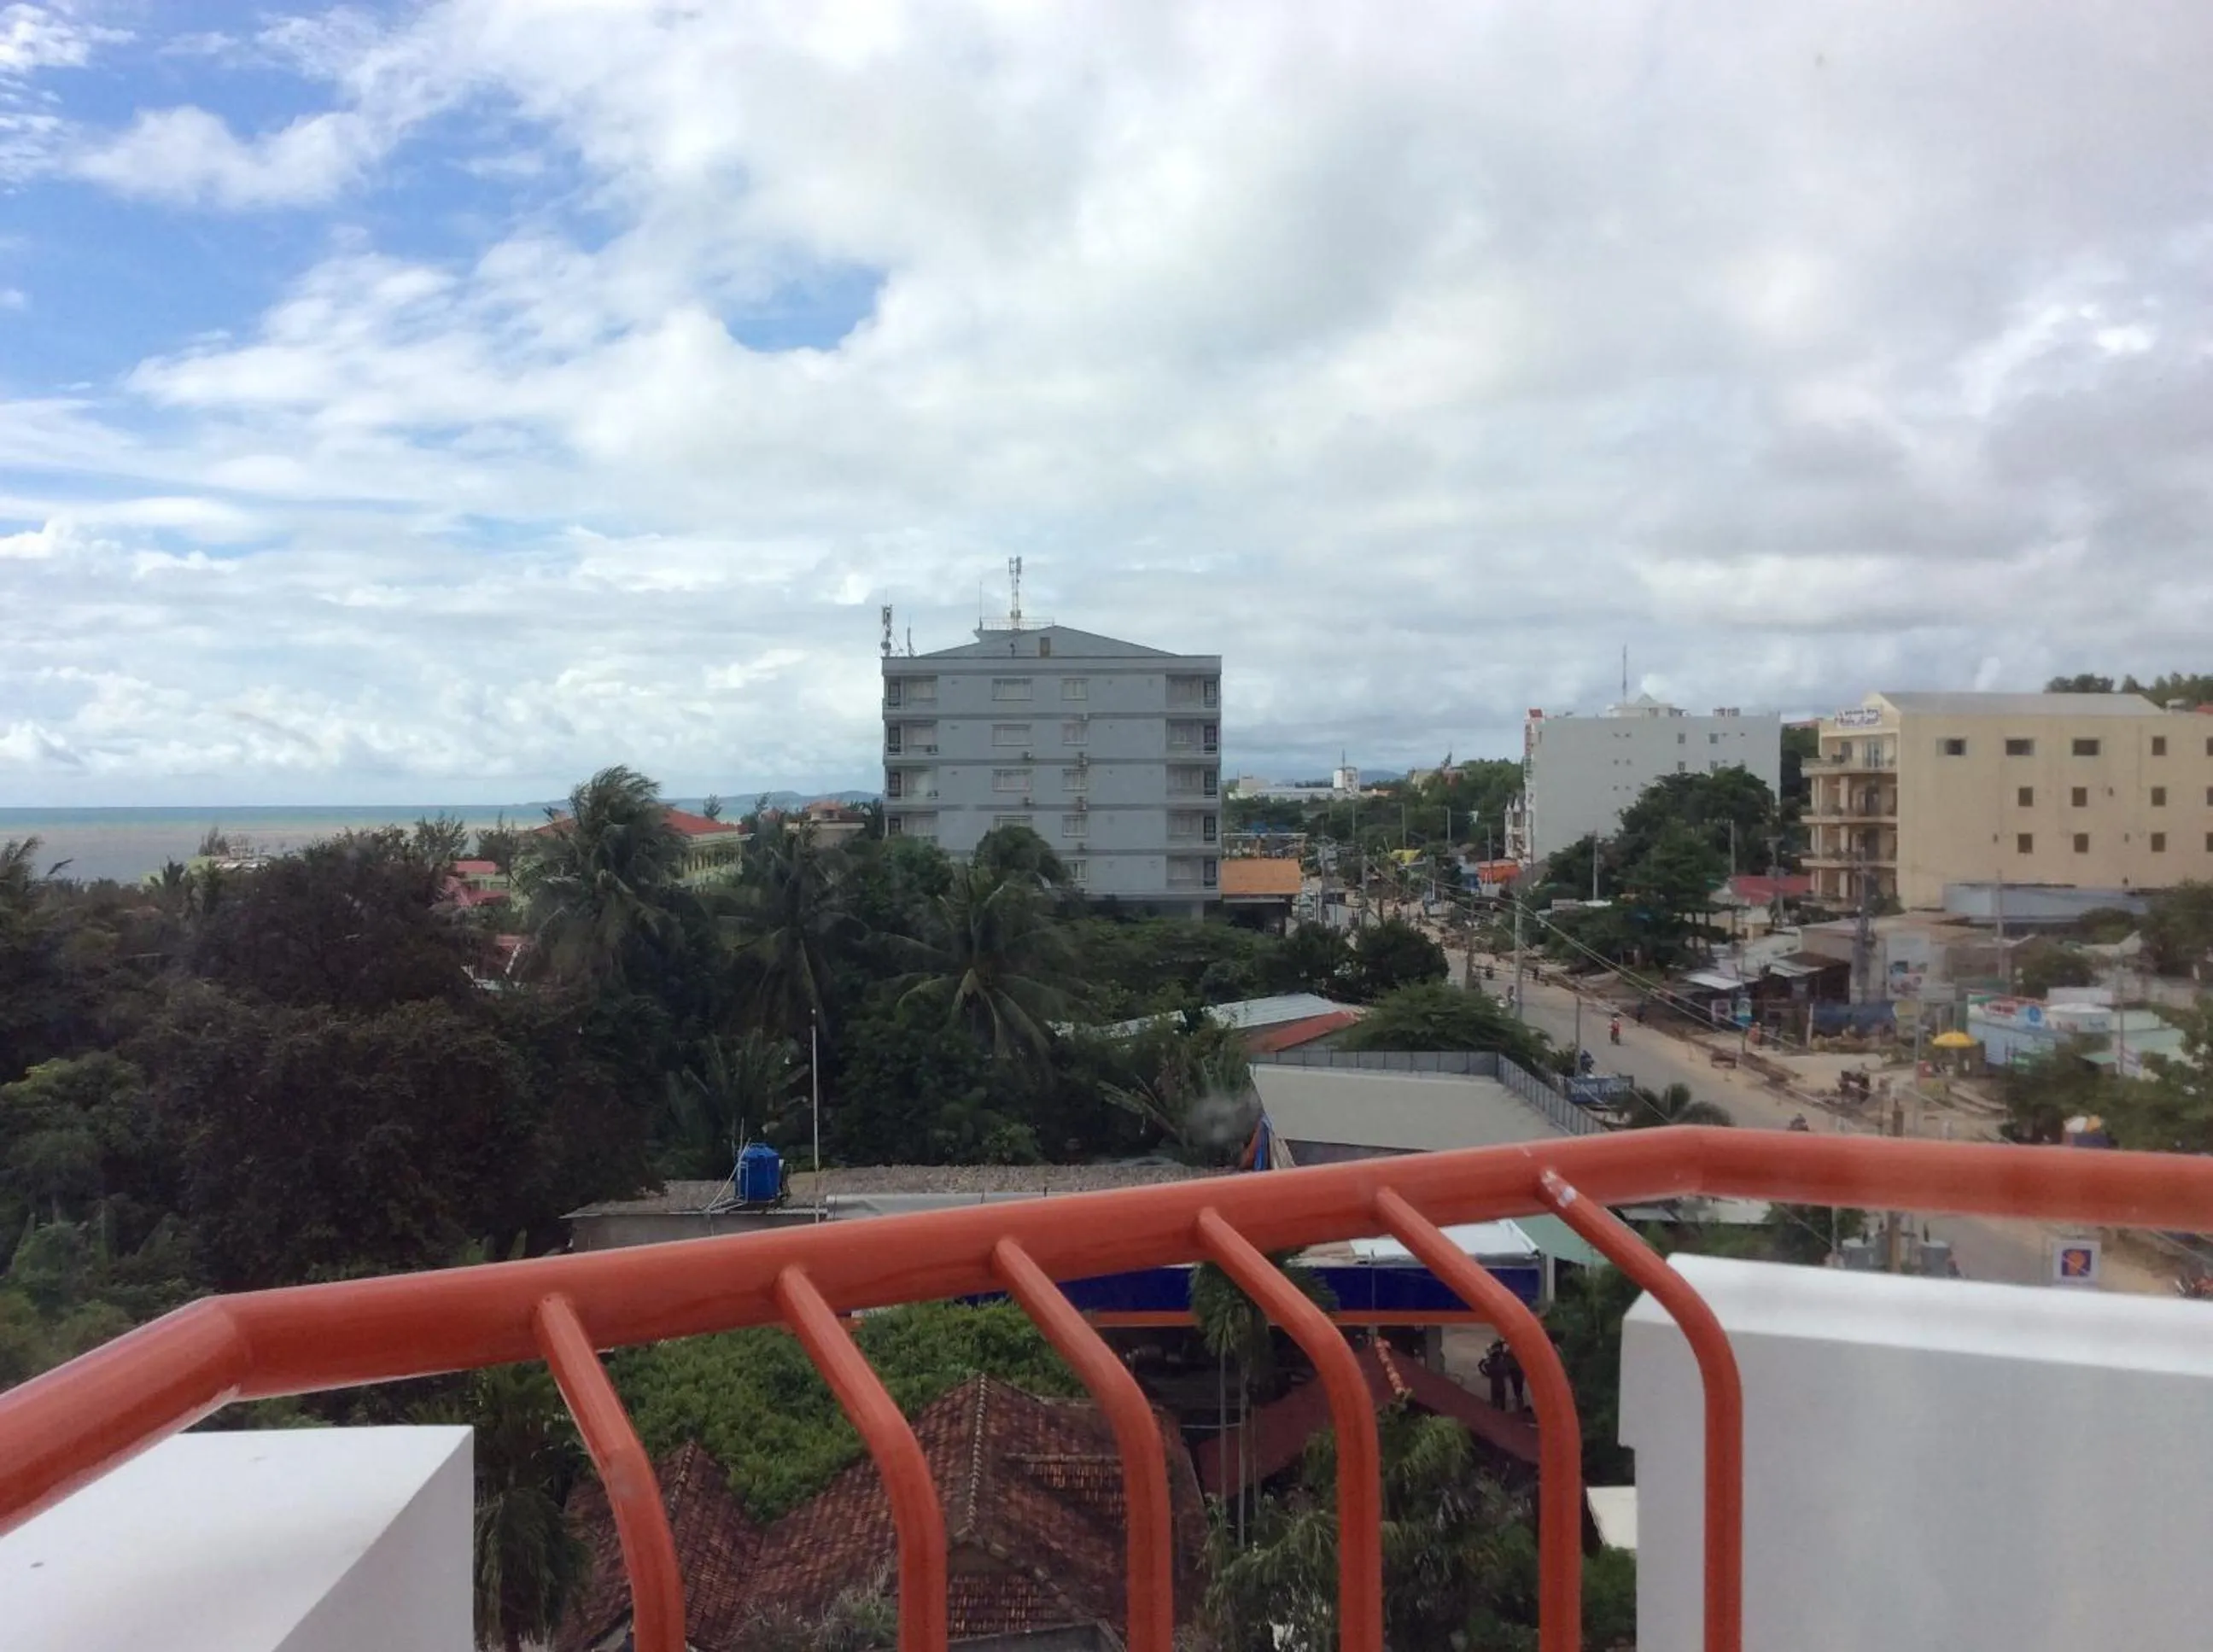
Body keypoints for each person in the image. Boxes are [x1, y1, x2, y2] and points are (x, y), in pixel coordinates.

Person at [1479, 1340, 1509, 1410]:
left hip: (1494, 1384)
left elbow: (1480, 1366)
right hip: (1501, 1384)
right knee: (1502, 1401)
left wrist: (1485, 1373)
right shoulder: (1502, 1365)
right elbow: (1507, 1372)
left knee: (1494, 1401)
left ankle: (1495, 1409)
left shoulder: (1490, 1366)